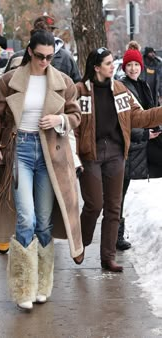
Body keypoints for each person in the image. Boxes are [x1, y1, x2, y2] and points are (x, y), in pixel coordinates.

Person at [0, 29, 83, 310]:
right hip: (20, 150)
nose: (44, 61)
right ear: (30, 52)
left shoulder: (63, 82)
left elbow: (76, 116)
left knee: (43, 220)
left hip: (50, 154)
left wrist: (59, 119)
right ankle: (23, 287)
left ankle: (42, 284)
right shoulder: (9, 81)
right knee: (25, 218)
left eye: (50, 57)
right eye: (40, 56)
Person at [75, 47, 162, 272]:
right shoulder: (80, 91)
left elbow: (138, 117)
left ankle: (108, 257)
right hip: (90, 154)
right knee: (94, 204)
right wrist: (75, 154)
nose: (112, 66)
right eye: (107, 63)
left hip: (115, 153)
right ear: (96, 67)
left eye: (113, 62)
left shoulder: (120, 89)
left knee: (114, 207)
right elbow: (73, 124)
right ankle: (80, 242)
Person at [118, 41, 162, 250]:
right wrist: (144, 133)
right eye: (129, 66)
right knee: (119, 191)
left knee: (122, 191)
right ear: (124, 68)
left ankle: (117, 235)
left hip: (141, 145)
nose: (133, 68)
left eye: (136, 65)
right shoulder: (123, 87)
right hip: (128, 147)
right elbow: (124, 122)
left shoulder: (142, 85)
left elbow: (149, 112)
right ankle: (116, 236)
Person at [5, 14, 81, 83]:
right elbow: (5, 85)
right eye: (38, 56)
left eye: (49, 31)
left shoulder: (66, 58)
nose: (44, 61)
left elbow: (76, 87)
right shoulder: (18, 57)